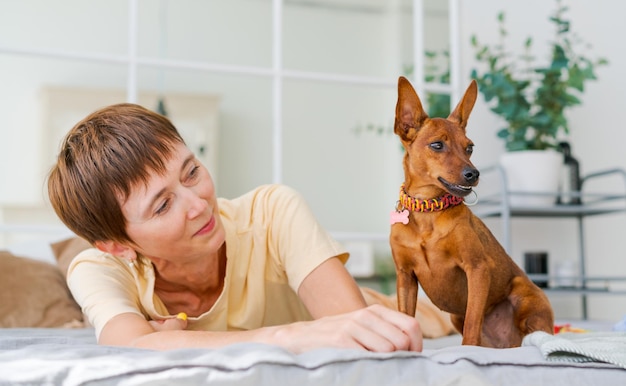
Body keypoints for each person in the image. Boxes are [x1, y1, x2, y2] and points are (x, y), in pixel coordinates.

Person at [47, 103, 424, 353]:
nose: (199, 204)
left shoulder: (273, 213)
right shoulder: (98, 268)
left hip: (415, 311)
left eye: (192, 172)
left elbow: (362, 334)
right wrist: (290, 334)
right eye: (163, 205)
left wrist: (182, 343)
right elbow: (126, 346)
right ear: (117, 245)